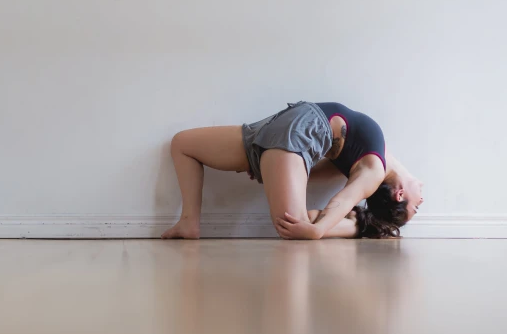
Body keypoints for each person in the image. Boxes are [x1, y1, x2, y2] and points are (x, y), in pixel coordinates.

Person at [161, 101, 424, 240]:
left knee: (182, 145)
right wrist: (319, 230)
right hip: (291, 132)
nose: (421, 198)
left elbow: (343, 197)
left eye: (417, 206)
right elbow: (342, 198)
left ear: (400, 195)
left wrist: (272, 172)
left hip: (284, 128)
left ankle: (188, 223)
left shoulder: (371, 168)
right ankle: (358, 227)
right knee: (299, 225)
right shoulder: (375, 165)